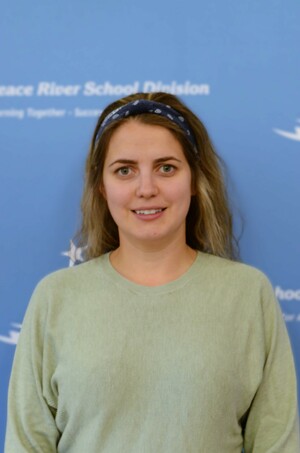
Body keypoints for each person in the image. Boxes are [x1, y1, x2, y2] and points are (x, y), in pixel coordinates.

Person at [5, 92, 299, 452]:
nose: (146, 189)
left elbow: (278, 443)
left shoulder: (248, 294)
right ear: (102, 186)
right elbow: (27, 443)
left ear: (194, 181)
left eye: (166, 168)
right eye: (125, 170)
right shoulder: (55, 297)